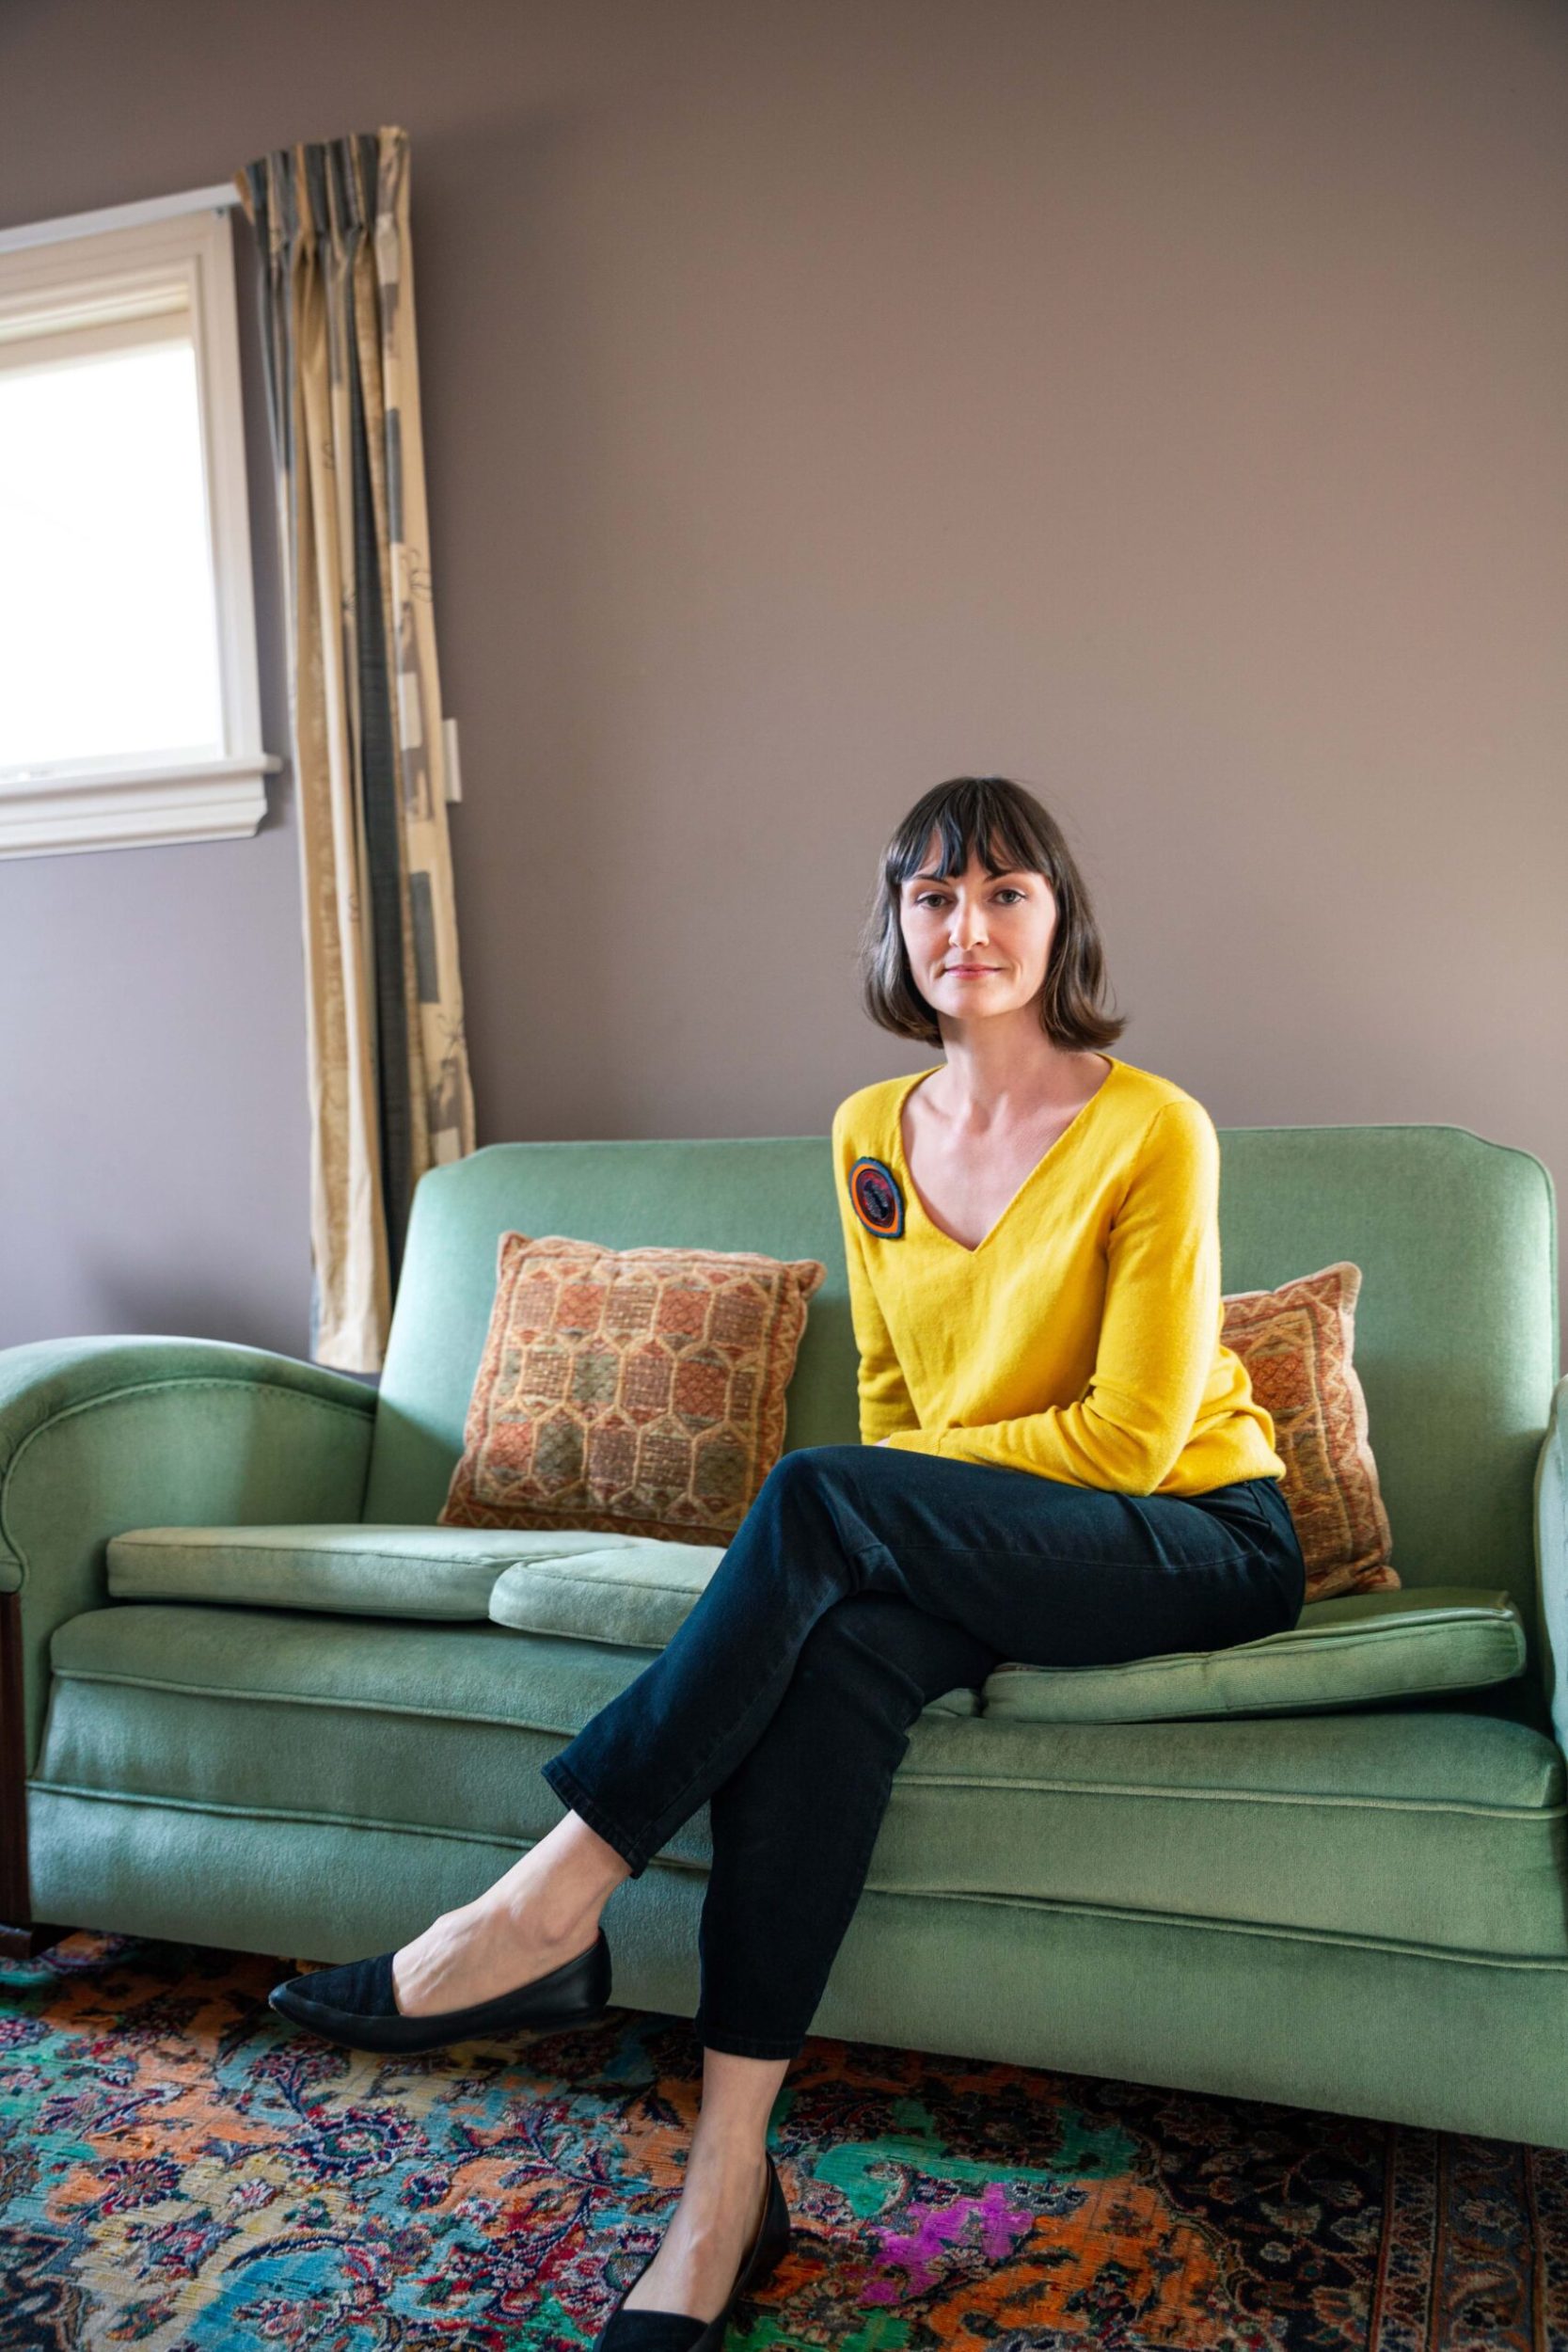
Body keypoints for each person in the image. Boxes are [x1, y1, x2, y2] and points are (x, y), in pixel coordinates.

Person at [268, 773, 1307, 2352]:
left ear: (1059, 917)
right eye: (935, 896)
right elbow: (903, 1400)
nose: (969, 924)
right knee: (828, 1663)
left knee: (822, 1499)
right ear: (898, 925)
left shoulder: (1152, 1128)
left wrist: (881, 1503)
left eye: (1006, 891)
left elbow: (1125, 1439)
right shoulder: (868, 1135)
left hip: (1194, 1533)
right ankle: (726, 2194)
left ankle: (546, 1906)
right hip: (994, 1532)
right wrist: (894, 1505)